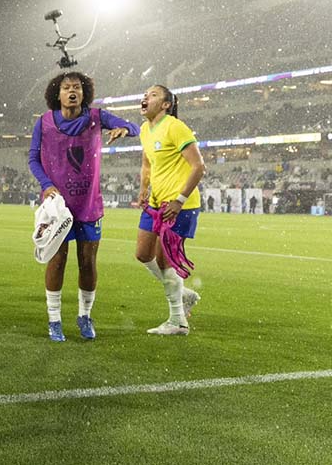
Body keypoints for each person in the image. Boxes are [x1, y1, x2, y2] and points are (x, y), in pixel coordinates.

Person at [28, 71, 138, 341]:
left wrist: (124, 129)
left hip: (89, 206)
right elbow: (32, 159)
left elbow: (133, 126)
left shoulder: (96, 118)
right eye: (67, 88)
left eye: (77, 87)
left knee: (87, 263)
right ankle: (54, 320)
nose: (72, 91)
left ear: (84, 93)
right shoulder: (43, 123)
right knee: (57, 261)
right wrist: (46, 184)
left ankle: (84, 316)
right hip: (58, 208)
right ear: (58, 94)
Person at [136, 85, 205, 336]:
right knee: (143, 254)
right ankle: (183, 293)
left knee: (165, 260)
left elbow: (198, 166)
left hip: (178, 205)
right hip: (155, 203)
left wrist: (179, 200)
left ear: (166, 104)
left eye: (153, 95)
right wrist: (143, 189)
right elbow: (147, 164)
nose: (145, 97)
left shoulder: (175, 127)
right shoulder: (145, 129)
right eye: (145, 94)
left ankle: (178, 321)